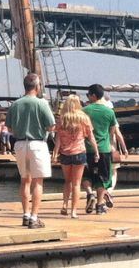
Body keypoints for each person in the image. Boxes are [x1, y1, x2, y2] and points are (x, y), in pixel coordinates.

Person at [8, 73, 56, 228]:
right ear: (37, 86)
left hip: (20, 144)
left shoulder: (15, 104)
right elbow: (51, 126)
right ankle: (34, 217)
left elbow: (9, 127)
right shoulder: (41, 103)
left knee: (24, 180)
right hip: (37, 144)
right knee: (38, 181)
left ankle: (25, 214)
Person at [81, 84, 126, 214]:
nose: (88, 97)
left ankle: (90, 193)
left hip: (87, 148)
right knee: (103, 178)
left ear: (93, 95)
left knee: (86, 175)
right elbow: (111, 132)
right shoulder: (109, 112)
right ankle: (100, 205)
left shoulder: (84, 111)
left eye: (88, 95)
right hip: (104, 149)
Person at [53, 95, 97, 219]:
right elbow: (91, 137)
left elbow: (58, 139)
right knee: (77, 184)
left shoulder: (62, 119)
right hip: (79, 153)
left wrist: (55, 154)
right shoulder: (84, 118)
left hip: (65, 154)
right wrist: (96, 151)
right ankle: (74, 211)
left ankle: (64, 204)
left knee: (68, 181)